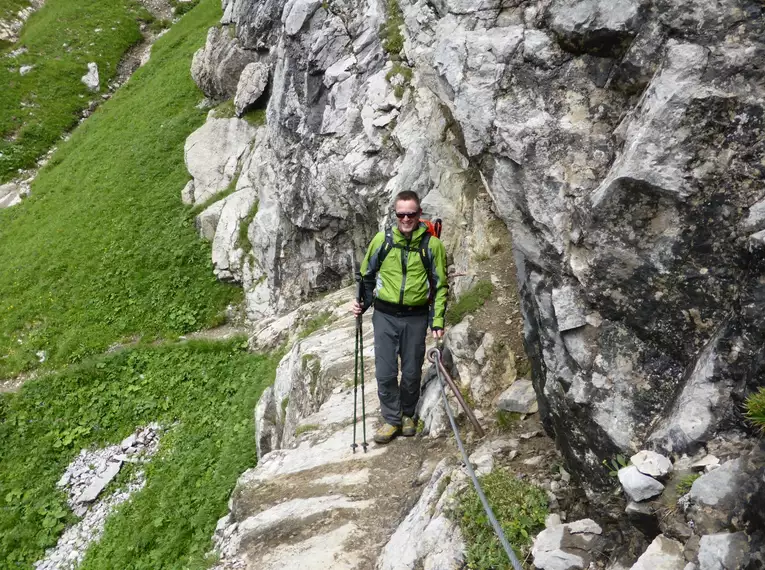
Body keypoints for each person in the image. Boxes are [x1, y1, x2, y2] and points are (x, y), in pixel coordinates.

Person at [351, 190, 448, 444]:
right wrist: (362, 303)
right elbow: (366, 276)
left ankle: (407, 415)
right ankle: (392, 419)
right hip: (384, 315)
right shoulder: (382, 241)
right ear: (395, 214)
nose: (406, 219)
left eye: (411, 214)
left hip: (416, 317)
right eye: (401, 214)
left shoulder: (432, 245)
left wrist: (437, 321)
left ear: (419, 214)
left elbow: (440, 286)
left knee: (412, 372)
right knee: (384, 372)